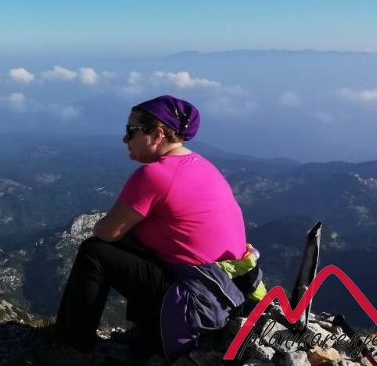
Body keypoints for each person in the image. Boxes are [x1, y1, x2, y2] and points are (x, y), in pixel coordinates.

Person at [53, 95, 261, 360]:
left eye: (131, 130)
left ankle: (71, 346)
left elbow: (106, 232)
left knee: (94, 251)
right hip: (227, 299)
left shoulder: (155, 174)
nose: (125, 139)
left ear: (158, 134)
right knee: (137, 247)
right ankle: (145, 333)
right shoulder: (204, 166)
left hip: (197, 307)